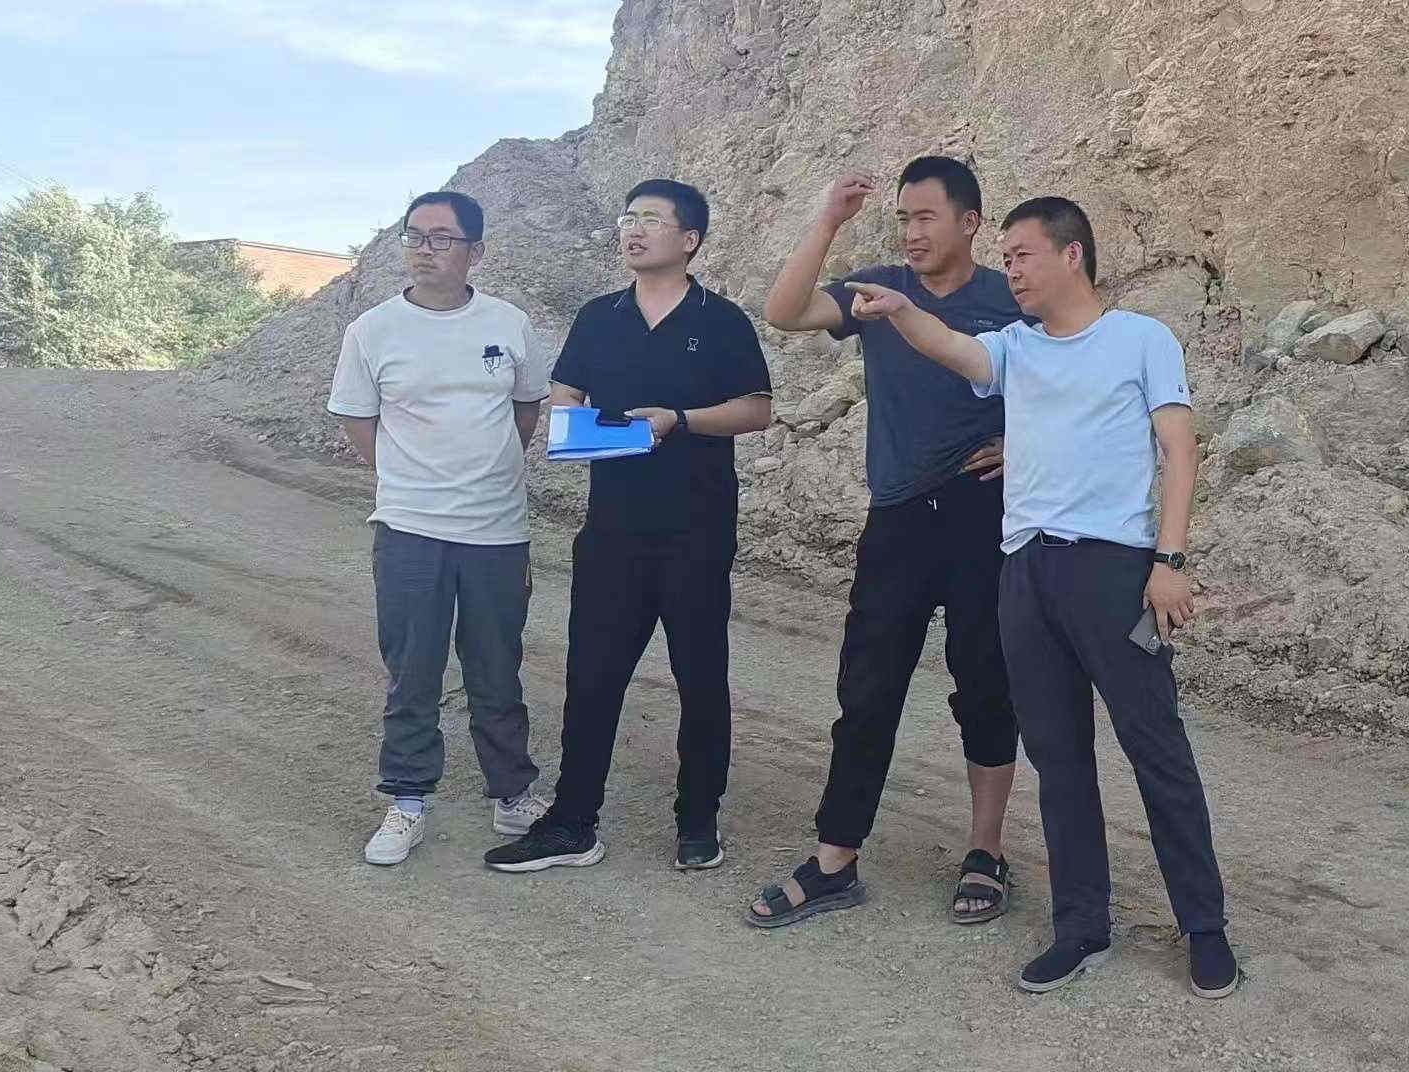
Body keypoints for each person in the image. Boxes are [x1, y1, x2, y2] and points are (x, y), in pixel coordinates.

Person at [844, 195, 1238, 999]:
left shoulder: (1139, 338)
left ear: (1071, 255)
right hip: (1023, 571)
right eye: (1007, 258)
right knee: (1058, 759)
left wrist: (1169, 560)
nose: (1011, 271)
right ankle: (1080, 926)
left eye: (1022, 255)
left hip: (1114, 569)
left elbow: (1178, 447)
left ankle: (1204, 927)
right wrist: (898, 310)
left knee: (1155, 749)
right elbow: (954, 348)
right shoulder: (1016, 348)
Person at [745, 157, 1026, 929]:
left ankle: (986, 851)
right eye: (902, 218)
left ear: (970, 222)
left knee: (986, 688)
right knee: (866, 691)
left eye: (925, 216)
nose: (911, 232)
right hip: (897, 518)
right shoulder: (875, 288)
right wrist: (828, 219)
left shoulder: (1008, 298)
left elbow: (1075, 377)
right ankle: (835, 859)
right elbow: (784, 312)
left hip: (984, 514)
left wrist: (1029, 442)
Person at [484, 179, 772, 874]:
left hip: (697, 529)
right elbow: (566, 389)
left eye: (650, 219)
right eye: (628, 218)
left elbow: (757, 408)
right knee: (592, 676)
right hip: (612, 529)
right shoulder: (599, 317)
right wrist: (569, 422)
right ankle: (572, 823)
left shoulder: (721, 320)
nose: (633, 230)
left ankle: (697, 821)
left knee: (699, 677)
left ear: (690, 240)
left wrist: (681, 421)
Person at [328, 190, 551, 866]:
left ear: (475, 251)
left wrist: (487, 472)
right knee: (412, 669)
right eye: (415, 236)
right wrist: (404, 477)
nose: (425, 250)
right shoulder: (373, 331)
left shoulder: (508, 324)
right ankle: (407, 800)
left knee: (497, 668)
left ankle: (511, 792)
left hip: (496, 530)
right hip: (409, 530)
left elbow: (526, 408)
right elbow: (357, 418)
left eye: (442, 238)